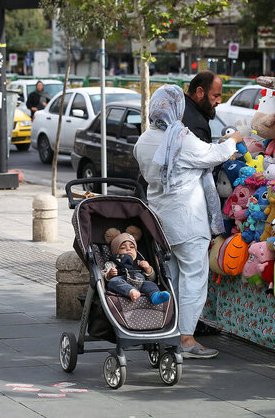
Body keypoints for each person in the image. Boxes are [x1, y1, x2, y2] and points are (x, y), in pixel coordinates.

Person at [133, 84, 243, 358]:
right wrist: (233, 140)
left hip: (160, 221)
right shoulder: (180, 138)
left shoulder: (144, 140)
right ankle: (186, 338)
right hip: (188, 221)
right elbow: (213, 155)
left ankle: (170, 329)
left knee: (172, 278)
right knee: (193, 279)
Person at [102, 228, 171, 305]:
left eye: (132, 247)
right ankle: (131, 291)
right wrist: (110, 274)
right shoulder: (112, 263)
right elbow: (104, 276)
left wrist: (148, 269)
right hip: (123, 283)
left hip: (140, 283)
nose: (128, 249)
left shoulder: (139, 262)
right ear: (115, 252)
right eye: (123, 248)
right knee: (113, 282)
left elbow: (152, 278)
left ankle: (155, 296)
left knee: (150, 284)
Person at [182, 71, 223, 144]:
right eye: (215, 96)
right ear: (200, 92)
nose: (219, 101)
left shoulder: (180, 106)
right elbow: (202, 154)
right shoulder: (197, 124)